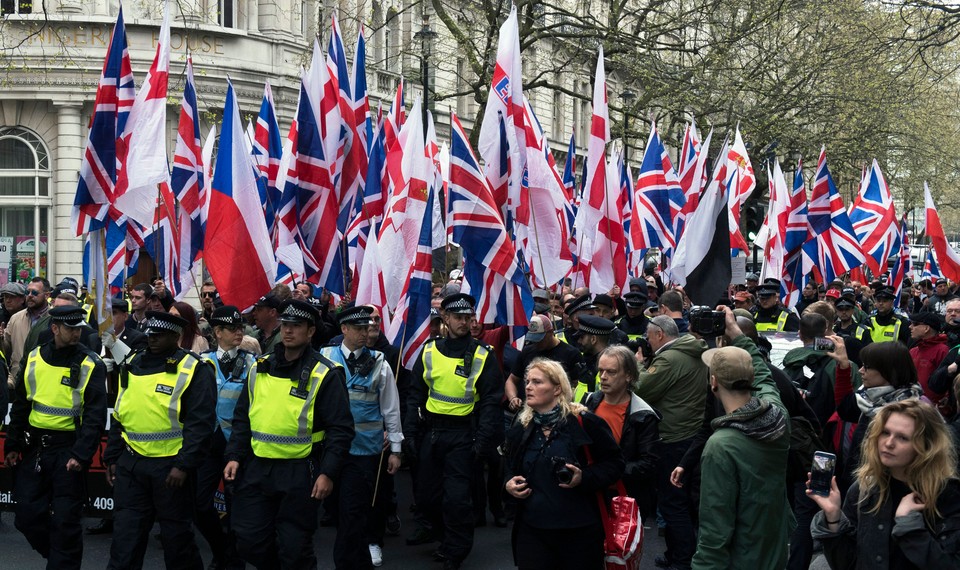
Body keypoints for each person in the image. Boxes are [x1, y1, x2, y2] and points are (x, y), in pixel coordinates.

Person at [223, 300, 354, 568]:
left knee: (294, 548)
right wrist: (234, 455)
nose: (289, 331)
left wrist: (327, 472)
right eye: (285, 325)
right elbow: (242, 418)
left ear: (310, 331)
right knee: (248, 539)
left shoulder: (326, 373)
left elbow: (340, 430)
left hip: (300, 471)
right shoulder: (259, 367)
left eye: (297, 326)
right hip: (257, 467)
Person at [104, 311, 216, 569]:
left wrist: (184, 465)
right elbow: (121, 414)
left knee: (177, 542)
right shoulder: (133, 363)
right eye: (151, 334)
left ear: (176, 336)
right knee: (125, 540)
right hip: (132, 464)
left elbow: (201, 424)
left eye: (160, 335)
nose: (152, 340)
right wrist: (112, 456)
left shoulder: (193, 368)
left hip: (170, 467)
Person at [403, 293, 505, 570]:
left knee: (457, 499)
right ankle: (441, 536)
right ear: (445, 318)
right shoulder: (428, 351)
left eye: (468, 317)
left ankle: (455, 551)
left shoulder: (483, 355)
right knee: (426, 496)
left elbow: (491, 403)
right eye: (458, 317)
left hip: (463, 436)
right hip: (431, 433)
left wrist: (481, 443)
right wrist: (410, 433)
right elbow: (414, 396)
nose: (464, 322)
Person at [4, 306, 107, 569]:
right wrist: (13, 444)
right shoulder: (35, 357)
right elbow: (21, 406)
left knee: (65, 523)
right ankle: (60, 558)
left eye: (78, 328)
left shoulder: (89, 363)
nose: (75, 333)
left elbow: (94, 417)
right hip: (36, 448)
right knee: (26, 516)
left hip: (68, 451)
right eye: (70, 328)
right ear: (55, 329)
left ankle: (62, 562)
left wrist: (81, 455)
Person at [691, 307, 793, 569]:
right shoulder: (778, 415)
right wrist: (736, 332)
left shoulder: (720, 445)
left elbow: (715, 529)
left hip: (741, 560)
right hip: (775, 551)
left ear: (713, 382)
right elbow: (763, 373)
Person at [503, 358, 625, 570]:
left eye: (537, 382)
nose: (528, 387)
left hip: (579, 532)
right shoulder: (521, 426)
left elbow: (615, 464)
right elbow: (507, 467)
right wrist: (508, 484)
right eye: (527, 382)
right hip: (533, 531)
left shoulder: (584, 422)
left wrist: (584, 477)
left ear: (557, 388)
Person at [809, 399, 960, 568]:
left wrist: (909, 525)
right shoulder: (863, 490)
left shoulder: (948, 496)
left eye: (903, 437)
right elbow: (848, 564)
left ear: (926, 446)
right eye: (885, 433)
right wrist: (833, 517)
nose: (888, 443)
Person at [319, 305, 403, 569]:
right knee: (337, 512)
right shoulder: (324, 356)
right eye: (357, 328)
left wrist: (396, 449)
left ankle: (347, 562)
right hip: (331, 450)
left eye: (366, 328)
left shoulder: (380, 362)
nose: (364, 333)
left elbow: (391, 407)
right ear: (343, 329)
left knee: (353, 513)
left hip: (364, 451)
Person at [634, 314, 708, 570]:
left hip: (673, 436)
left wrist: (640, 366)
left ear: (660, 335)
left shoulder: (669, 358)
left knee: (673, 503)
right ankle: (678, 553)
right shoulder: (693, 351)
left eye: (649, 335)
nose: (647, 339)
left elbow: (641, 388)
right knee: (683, 501)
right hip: (691, 433)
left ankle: (681, 559)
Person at [195, 305, 256, 569]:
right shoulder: (202, 362)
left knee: (236, 510)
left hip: (237, 444)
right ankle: (220, 549)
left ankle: (233, 560)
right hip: (208, 443)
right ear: (217, 332)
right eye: (232, 328)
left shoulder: (253, 363)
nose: (238, 332)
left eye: (241, 327)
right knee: (198, 504)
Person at [833, 340, 925, 493]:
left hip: (880, 491)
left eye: (867, 367)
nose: (861, 371)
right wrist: (843, 366)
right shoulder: (869, 397)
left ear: (888, 371)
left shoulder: (911, 410)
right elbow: (845, 409)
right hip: (856, 484)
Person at [584, 345, 659, 519]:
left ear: (629, 376)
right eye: (601, 371)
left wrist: (607, 471)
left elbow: (648, 464)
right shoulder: (589, 402)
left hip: (626, 499)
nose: (603, 377)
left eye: (611, 372)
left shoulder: (643, 415)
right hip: (591, 494)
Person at [505, 314, 587, 415]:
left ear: (550, 332)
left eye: (540, 339)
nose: (536, 343)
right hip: (529, 412)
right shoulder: (527, 352)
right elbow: (511, 380)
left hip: (560, 412)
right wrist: (513, 398)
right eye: (533, 339)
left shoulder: (571, 354)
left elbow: (578, 386)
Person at [2, 276, 50, 381]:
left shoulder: (53, 319)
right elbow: (6, 349)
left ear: (47, 295)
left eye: (35, 293)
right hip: (18, 380)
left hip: (43, 380)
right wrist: (1, 338)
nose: (30, 296)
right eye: (27, 292)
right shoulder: (16, 318)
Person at [908, 312, 949, 403]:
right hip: (913, 404)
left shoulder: (942, 351)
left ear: (926, 328)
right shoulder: (913, 351)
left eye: (915, 324)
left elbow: (946, 379)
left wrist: (945, 400)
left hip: (934, 408)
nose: (910, 327)